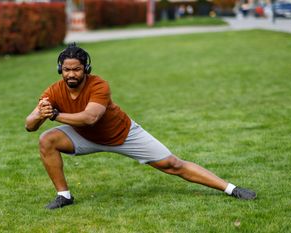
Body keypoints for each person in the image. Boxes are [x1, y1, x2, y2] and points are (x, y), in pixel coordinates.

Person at [25, 43, 256, 210]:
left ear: (86, 69)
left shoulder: (99, 85)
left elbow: (90, 118)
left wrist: (55, 115)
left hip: (122, 135)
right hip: (85, 137)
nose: (71, 74)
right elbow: (29, 124)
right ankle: (64, 196)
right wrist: (40, 115)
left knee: (173, 164)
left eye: (76, 69)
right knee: (47, 139)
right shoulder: (54, 90)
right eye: (67, 69)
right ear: (60, 70)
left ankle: (231, 189)